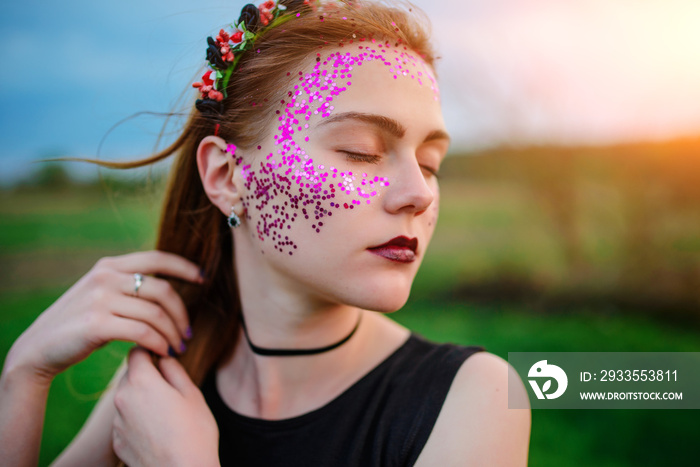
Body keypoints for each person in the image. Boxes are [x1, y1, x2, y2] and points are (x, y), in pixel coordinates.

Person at [0, 1, 531, 465]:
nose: (418, 193)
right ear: (228, 178)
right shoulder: (169, 379)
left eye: (430, 161)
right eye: (360, 151)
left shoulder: (472, 396)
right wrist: (24, 376)